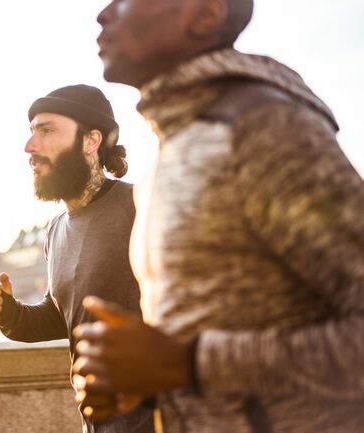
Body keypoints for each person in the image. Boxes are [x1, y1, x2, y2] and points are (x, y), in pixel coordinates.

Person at [72, 0, 364, 432]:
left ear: (205, 13)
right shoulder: (172, 149)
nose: (104, 13)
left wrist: (186, 364)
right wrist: (145, 381)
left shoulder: (264, 125)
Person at [0, 84, 154, 433]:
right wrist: (8, 312)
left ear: (90, 140)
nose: (30, 146)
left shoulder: (144, 207)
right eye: (31, 133)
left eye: (47, 131)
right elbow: (62, 318)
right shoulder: (56, 231)